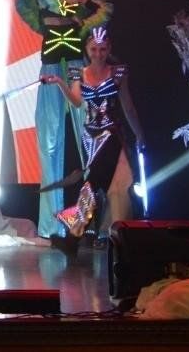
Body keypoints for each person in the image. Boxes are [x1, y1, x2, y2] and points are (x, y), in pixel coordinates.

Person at [15, 0, 113, 240]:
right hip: (50, 65)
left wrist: (84, 4)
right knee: (50, 139)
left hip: (73, 64)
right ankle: (51, 225)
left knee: (88, 138)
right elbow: (25, 5)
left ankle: (92, 220)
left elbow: (103, 12)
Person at [38, 25, 145, 248]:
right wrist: (60, 83)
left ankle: (78, 237)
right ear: (87, 49)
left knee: (100, 184)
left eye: (102, 49)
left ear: (109, 49)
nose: (98, 54)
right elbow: (77, 102)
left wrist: (139, 134)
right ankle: (102, 235)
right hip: (90, 138)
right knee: (99, 185)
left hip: (112, 136)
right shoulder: (78, 73)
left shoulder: (118, 73)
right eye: (94, 49)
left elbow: (128, 107)